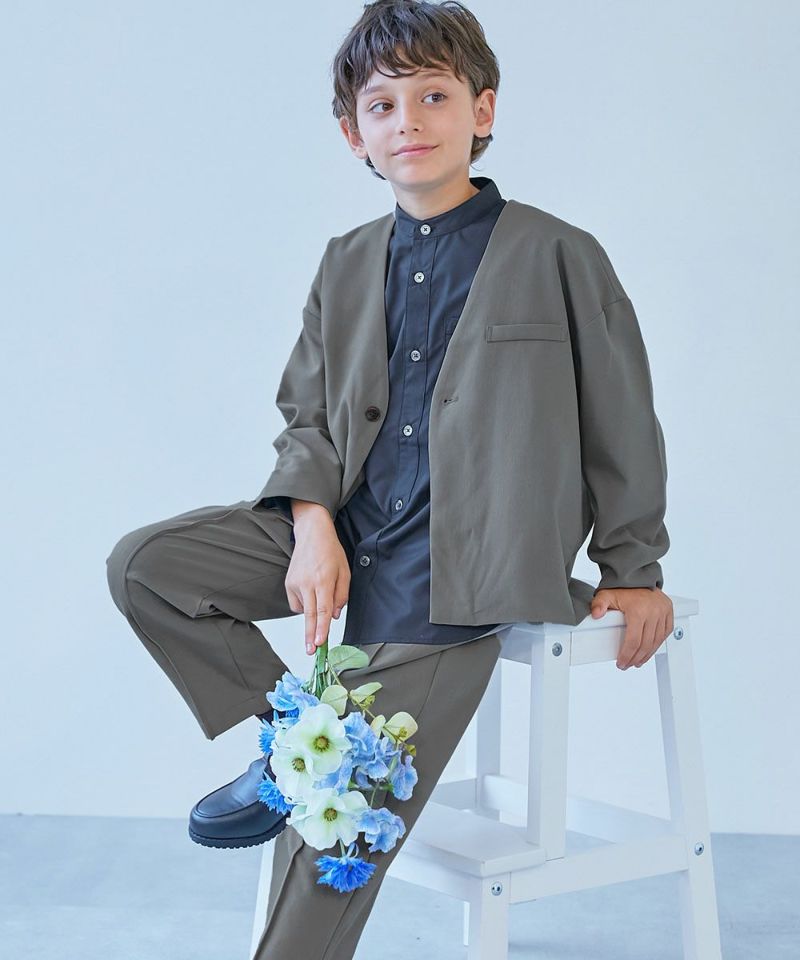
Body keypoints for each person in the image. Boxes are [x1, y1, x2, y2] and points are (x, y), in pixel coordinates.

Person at [105, 2, 674, 956]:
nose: (408, 120)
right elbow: (307, 415)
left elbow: (622, 416)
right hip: (343, 528)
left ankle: (309, 767)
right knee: (147, 566)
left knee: (334, 837)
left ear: (482, 110)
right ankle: (291, 739)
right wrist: (311, 525)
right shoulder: (344, 262)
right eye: (382, 105)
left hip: (455, 581)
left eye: (433, 96)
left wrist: (634, 565)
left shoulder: (559, 253)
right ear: (353, 134)